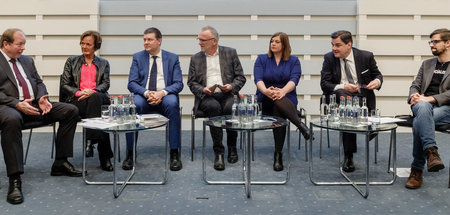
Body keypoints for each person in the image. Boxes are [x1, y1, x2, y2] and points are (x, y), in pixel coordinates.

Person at [0, 28, 82, 205]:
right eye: (19, 44)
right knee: (11, 120)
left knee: (70, 110)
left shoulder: (27, 61)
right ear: (6, 44)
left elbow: (38, 82)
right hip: (9, 107)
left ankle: (60, 162)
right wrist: (16, 103)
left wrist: (42, 98)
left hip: (34, 105)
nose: (23, 48)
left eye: (24, 44)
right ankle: (15, 179)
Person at [320, 30, 383, 172]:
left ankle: (349, 153)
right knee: (346, 106)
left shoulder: (366, 56)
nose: (333, 49)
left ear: (349, 44)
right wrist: (343, 86)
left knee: (349, 110)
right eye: (332, 45)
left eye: (337, 45)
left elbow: (378, 74)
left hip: (363, 98)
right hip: (339, 99)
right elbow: (324, 84)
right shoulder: (329, 58)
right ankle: (349, 156)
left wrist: (377, 81)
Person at [187, 26, 246, 171]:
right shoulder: (195, 58)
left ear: (214, 41)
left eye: (202, 40)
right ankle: (218, 152)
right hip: (207, 96)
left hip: (227, 93)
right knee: (214, 108)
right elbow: (191, 82)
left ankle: (232, 147)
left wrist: (231, 86)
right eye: (199, 39)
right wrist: (203, 89)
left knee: (230, 108)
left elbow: (240, 78)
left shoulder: (230, 53)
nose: (199, 42)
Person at [124, 27, 183, 171]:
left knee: (173, 103)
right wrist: (146, 93)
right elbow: (131, 83)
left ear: (159, 41)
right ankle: (130, 153)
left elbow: (178, 83)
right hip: (144, 96)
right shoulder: (138, 57)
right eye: (144, 39)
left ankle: (174, 153)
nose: (146, 42)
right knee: (133, 106)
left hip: (165, 96)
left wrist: (161, 93)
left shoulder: (172, 58)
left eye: (149, 39)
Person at [253, 32, 311, 171]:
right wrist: (266, 91)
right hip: (265, 97)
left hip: (286, 96)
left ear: (284, 44)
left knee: (278, 107)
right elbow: (258, 79)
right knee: (277, 103)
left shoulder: (294, 61)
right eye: (272, 41)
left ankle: (278, 154)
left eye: (277, 42)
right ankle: (300, 124)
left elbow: (294, 80)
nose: (273, 43)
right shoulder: (261, 59)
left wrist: (282, 91)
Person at [61, 30, 114, 172]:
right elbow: (65, 84)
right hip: (78, 101)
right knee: (100, 116)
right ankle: (104, 157)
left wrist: (93, 91)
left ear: (96, 46)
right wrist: (79, 92)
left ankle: (90, 140)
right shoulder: (72, 61)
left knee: (96, 98)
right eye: (82, 43)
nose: (84, 47)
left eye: (88, 44)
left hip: (98, 98)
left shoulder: (103, 63)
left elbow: (105, 84)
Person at [405, 28, 450, 189]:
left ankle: (416, 170)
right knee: (423, 108)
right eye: (430, 41)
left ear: (448, 43)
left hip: (445, 108)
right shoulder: (427, 64)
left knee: (418, 123)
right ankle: (432, 153)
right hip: (422, 106)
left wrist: (429, 99)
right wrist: (414, 96)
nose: (432, 45)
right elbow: (415, 85)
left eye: (435, 41)